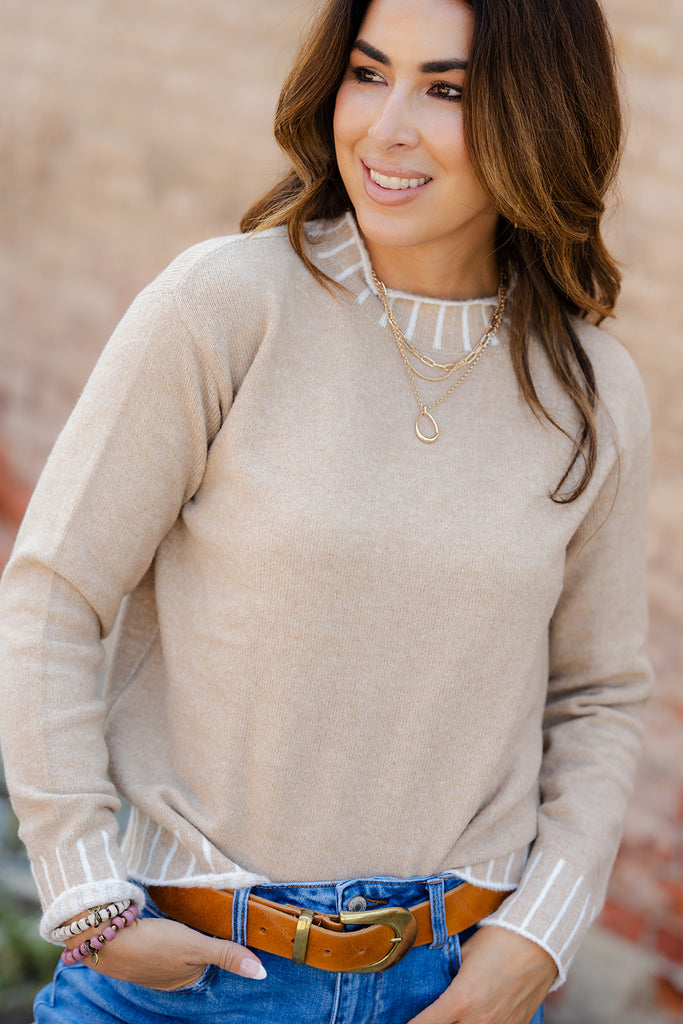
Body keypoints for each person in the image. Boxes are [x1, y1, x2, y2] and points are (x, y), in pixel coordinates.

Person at [0, 0, 652, 1021]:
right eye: (367, 72)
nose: (385, 127)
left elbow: (597, 694)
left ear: (541, 115)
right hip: (192, 978)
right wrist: (86, 893)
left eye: (446, 90)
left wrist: (540, 933)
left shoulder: (589, 389)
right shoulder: (224, 306)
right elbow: (52, 595)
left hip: (450, 983)